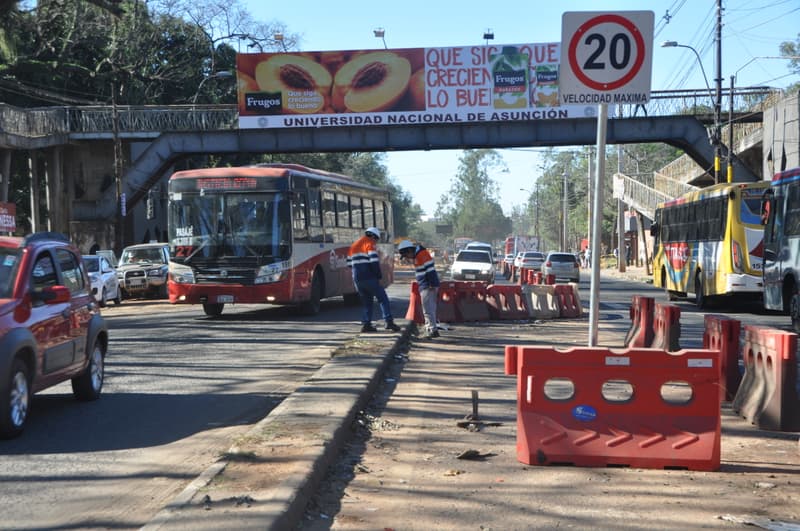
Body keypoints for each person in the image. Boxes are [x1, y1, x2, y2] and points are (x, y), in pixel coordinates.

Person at [347, 227, 401, 333]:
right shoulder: (370, 244)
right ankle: (388, 322)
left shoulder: (353, 246)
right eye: (376, 239)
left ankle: (366, 324)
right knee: (383, 299)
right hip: (369, 278)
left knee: (367, 302)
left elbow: (349, 264)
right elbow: (374, 262)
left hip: (357, 279)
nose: (376, 241)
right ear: (373, 236)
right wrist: (379, 276)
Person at [397, 239, 440, 339]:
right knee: (430, 309)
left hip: (427, 286)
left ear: (409, 250)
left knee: (428, 310)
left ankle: (431, 330)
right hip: (426, 285)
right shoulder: (418, 254)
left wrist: (431, 284)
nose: (407, 258)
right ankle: (431, 329)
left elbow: (430, 270)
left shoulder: (422, 254)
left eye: (406, 255)